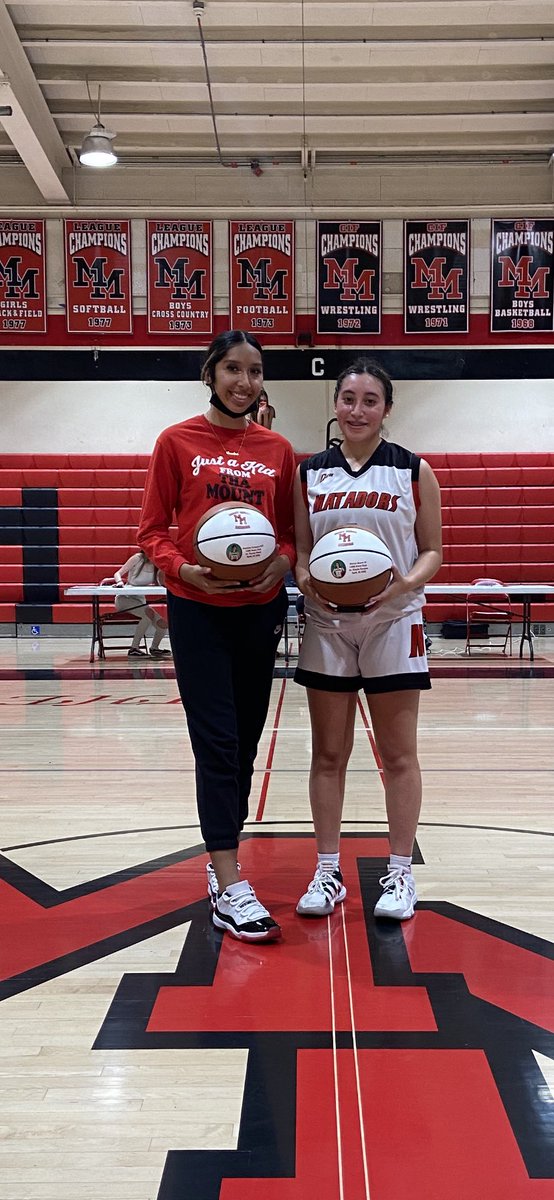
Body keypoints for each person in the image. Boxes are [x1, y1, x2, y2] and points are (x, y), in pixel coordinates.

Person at [137, 330, 296, 942]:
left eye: (255, 372)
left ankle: (221, 861)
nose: (244, 382)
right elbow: (152, 531)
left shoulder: (278, 448)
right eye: (233, 368)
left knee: (247, 744)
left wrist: (280, 564)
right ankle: (229, 881)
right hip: (198, 609)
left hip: (259, 610)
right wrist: (184, 569)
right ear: (210, 372)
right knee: (218, 742)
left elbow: (288, 536)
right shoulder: (176, 441)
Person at [293, 357, 442, 921]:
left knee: (397, 755)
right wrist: (308, 580)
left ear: (387, 408)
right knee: (328, 754)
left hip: (394, 620)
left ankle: (399, 875)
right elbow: (304, 553)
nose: (357, 410)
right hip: (329, 625)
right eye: (348, 398)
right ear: (335, 404)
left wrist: (403, 582)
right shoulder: (309, 473)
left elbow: (433, 551)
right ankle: (327, 872)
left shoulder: (411, 469)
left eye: (370, 400)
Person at [100, 550, 171, 659]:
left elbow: (161, 582)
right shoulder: (137, 558)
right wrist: (119, 582)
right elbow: (117, 573)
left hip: (140, 601)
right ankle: (134, 649)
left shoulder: (156, 564)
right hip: (124, 599)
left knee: (163, 625)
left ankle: (155, 648)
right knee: (147, 616)